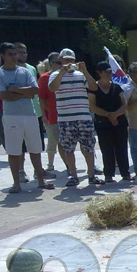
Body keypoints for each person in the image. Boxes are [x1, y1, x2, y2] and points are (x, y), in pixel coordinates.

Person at [0, 42, 53, 193]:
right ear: (2, 55)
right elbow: (3, 95)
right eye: (10, 54)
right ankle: (16, 183)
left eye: (15, 54)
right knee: (14, 151)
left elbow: (34, 91)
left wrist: (13, 89)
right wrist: (22, 93)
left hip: (30, 115)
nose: (14, 57)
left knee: (35, 149)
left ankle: (40, 180)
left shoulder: (25, 71)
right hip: (11, 116)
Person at [48, 48, 103, 186]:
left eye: (71, 60)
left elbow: (94, 88)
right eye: (65, 60)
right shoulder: (55, 74)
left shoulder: (81, 74)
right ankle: (73, 175)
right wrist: (62, 71)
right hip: (65, 118)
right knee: (68, 148)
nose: (68, 62)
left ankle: (91, 175)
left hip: (83, 116)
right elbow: (52, 88)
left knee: (89, 146)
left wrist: (85, 71)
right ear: (60, 60)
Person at [89, 61, 131, 182]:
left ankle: (125, 173)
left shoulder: (116, 87)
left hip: (120, 122)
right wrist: (108, 115)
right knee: (106, 149)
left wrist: (115, 115)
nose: (109, 74)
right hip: (103, 124)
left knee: (121, 148)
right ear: (99, 73)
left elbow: (124, 104)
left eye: (110, 72)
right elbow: (92, 107)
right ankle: (108, 174)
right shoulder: (94, 89)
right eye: (106, 72)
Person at [37, 51, 67, 173]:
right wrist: (46, 114)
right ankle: (69, 167)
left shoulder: (68, 75)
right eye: (58, 63)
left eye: (62, 62)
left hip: (69, 114)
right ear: (50, 64)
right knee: (59, 142)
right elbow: (41, 99)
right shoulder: (44, 78)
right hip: (54, 117)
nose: (61, 65)